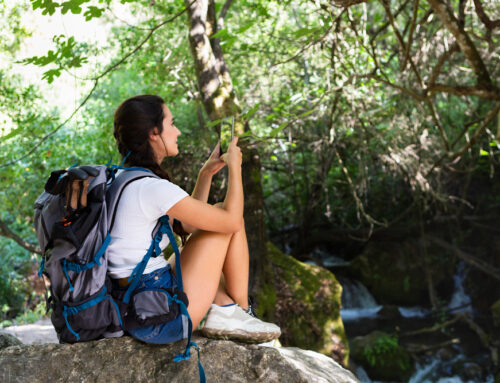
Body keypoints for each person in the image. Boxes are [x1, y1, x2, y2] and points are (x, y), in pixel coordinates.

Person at [108, 94, 280, 345]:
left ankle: (227, 309)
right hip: (161, 320)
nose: (177, 132)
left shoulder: (124, 179)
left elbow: (188, 226)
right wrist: (235, 168)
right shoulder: (150, 189)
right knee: (224, 213)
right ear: (154, 132)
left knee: (194, 240)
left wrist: (206, 174)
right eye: (172, 124)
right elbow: (231, 222)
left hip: (134, 306)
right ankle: (239, 314)